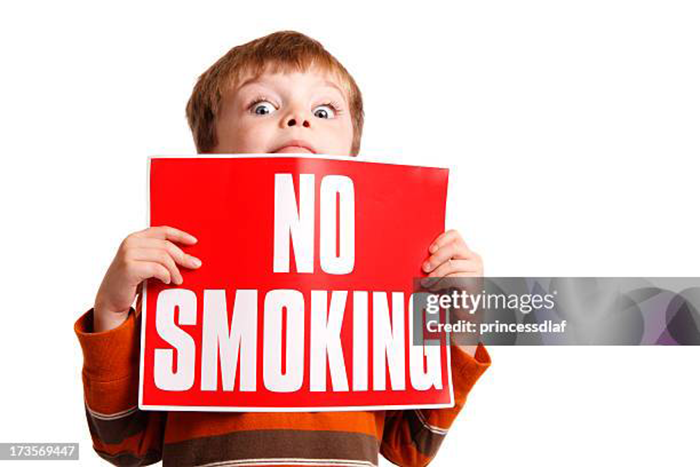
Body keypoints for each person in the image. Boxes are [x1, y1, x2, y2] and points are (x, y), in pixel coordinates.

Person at [74, 30, 491, 466]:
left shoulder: (387, 278)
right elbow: (123, 446)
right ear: (209, 149)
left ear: (354, 151)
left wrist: (464, 322)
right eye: (262, 107)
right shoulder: (176, 267)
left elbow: (412, 446)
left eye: (323, 110)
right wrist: (112, 310)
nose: (298, 119)